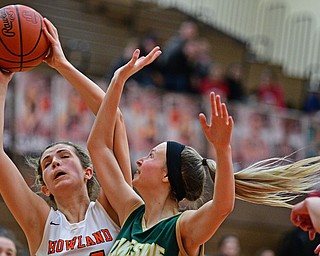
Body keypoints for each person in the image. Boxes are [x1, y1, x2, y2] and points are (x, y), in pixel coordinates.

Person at [87, 47, 320, 255]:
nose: (138, 161)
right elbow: (97, 146)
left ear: (166, 175)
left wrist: (222, 149)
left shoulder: (182, 226)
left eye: (150, 156)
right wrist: (118, 80)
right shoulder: (131, 212)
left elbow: (222, 206)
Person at [0, 17, 151, 255]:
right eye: (47, 164)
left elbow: (114, 120)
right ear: (45, 189)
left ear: (88, 172)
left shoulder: (112, 208)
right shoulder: (41, 224)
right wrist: (1, 81)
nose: (55, 162)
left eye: (63, 156)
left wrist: (62, 65)